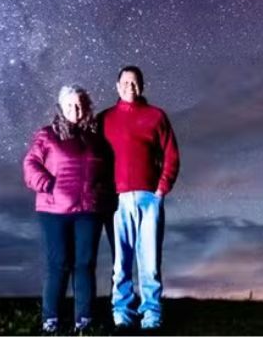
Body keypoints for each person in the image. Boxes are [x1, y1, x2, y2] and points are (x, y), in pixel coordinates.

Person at [23, 85, 114, 336]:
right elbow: (31, 164)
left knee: (85, 264)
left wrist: (102, 197)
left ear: (87, 106)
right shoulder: (47, 135)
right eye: (70, 105)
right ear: (61, 108)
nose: (76, 109)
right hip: (54, 211)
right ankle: (50, 320)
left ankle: (83, 320)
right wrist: (48, 184)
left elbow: (107, 171)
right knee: (58, 264)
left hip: (88, 210)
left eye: (80, 104)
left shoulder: (95, 137)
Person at [100, 65, 180, 333]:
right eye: (124, 82)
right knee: (121, 262)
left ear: (142, 86)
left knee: (149, 261)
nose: (129, 87)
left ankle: (151, 315)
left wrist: (161, 190)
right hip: (117, 200)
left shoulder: (156, 117)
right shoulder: (104, 119)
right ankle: (122, 314)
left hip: (149, 197)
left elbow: (171, 154)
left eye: (134, 83)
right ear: (117, 86)